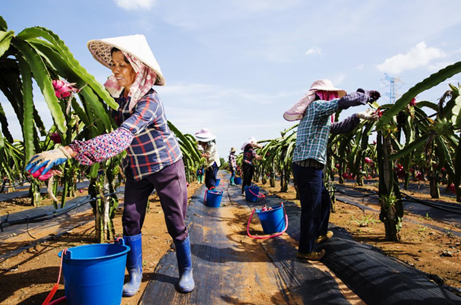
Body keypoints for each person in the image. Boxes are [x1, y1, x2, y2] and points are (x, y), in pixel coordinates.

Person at [25, 34, 194, 295]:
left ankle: (186, 269)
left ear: (138, 68)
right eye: (112, 63)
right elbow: (97, 122)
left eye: (121, 64)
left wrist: (70, 150)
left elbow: (120, 137)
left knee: (175, 219)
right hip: (136, 168)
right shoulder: (117, 97)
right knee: (130, 219)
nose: (114, 69)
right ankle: (135, 273)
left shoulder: (150, 101)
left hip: (165, 166)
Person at [284, 79, 380, 261]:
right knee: (311, 209)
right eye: (331, 95)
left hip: (310, 167)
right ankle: (305, 250)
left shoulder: (317, 115)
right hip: (309, 166)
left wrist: (359, 117)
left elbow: (336, 128)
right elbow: (343, 102)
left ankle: (319, 232)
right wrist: (365, 95)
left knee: (324, 201)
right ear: (323, 94)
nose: (333, 98)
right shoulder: (317, 106)